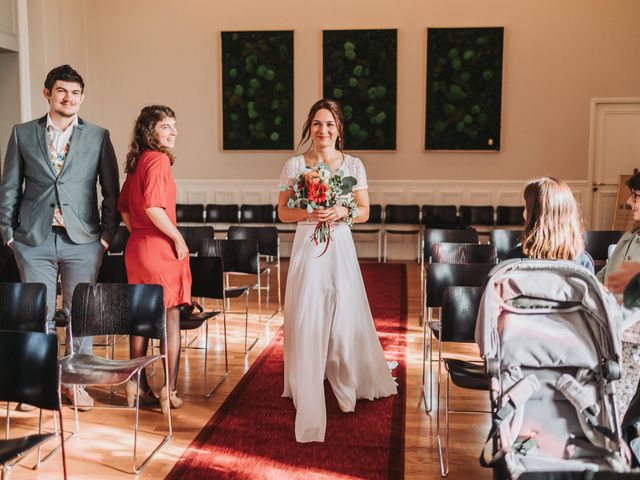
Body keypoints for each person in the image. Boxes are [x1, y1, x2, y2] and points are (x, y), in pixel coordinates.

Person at [0, 65, 120, 410]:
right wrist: (9, 236)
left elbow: (110, 191)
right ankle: (40, 383)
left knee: (80, 313)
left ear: (82, 97)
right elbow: (9, 186)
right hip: (32, 239)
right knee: (39, 315)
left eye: (75, 92)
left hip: (83, 240)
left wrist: (105, 238)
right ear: (48, 93)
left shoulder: (98, 135)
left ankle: (74, 382)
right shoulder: (23, 133)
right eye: (62, 91)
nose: (69, 98)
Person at [277, 99, 397, 443]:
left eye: (329, 124)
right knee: (307, 314)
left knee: (344, 318)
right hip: (307, 246)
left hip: (340, 246)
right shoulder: (295, 165)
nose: (323, 130)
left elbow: (365, 211)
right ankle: (306, 384)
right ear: (309, 128)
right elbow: (283, 211)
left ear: (339, 129)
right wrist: (309, 212)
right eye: (316, 124)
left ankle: (345, 385)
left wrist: (341, 213)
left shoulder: (354, 165)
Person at [118, 105, 191, 414]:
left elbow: (124, 209)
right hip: (160, 249)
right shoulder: (159, 160)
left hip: (137, 249)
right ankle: (168, 390)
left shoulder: (135, 163)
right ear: (151, 132)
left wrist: (142, 234)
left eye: (174, 125)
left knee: (140, 317)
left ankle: (137, 385)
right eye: (166, 127)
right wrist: (176, 237)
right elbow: (153, 208)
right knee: (170, 319)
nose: (173, 132)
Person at [596, 171, 640, 417]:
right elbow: (603, 280)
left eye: (636, 196)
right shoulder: (629, 239)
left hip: (630, 342)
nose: (630, 202)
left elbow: (629, 300)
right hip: (611, 335)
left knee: (618, 412)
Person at [506, 176, 595, 272]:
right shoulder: (583, 261)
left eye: (525, 207)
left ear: (532, 215)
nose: (523, 212)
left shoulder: (514, 259)